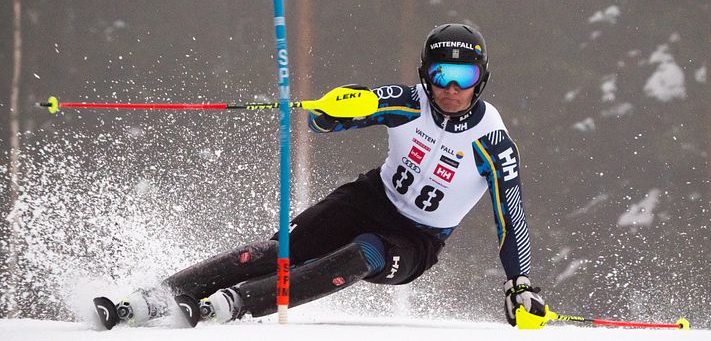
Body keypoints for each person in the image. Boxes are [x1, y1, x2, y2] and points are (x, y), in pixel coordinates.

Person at [102, 23, 546, 329]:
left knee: (361, 255)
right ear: (425, 76)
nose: (451, 88)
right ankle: (151, 298)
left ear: (480, 79)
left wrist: (519, 285)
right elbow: (325, 121)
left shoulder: (493, 142)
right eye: (440, 74)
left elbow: (512, 219)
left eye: (463, 76)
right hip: (370, 198)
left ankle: (235, 304)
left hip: (416, 239)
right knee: (287, 249)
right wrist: (334, 110)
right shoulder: (407, 102)